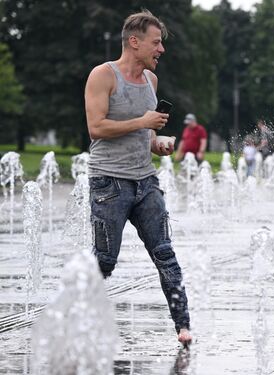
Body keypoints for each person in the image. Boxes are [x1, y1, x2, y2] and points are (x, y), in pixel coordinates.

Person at [84, 10, 192, 345]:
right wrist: (143, 123)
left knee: (165, 253)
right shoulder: (103, 76)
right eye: (156, 42)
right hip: (109, 183)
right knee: (104, 261)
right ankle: (80, 323)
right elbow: (96, 128)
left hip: (146, 182)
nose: (161, 49)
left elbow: (145, 135)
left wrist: (157, 143)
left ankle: (183, 327)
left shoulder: (151, 81)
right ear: (135, 42)